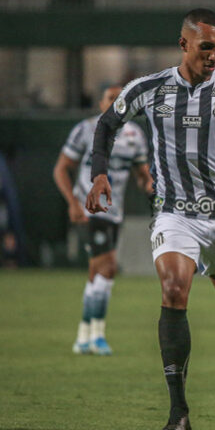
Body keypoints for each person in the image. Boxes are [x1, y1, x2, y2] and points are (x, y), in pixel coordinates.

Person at [85, 8, 215, 430]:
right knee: (174, 290)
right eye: (206, 46)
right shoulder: (150, 89)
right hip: (175, 214)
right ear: (184, 44)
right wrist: (100, 172)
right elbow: (107, 124)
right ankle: (179, 412)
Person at [53, 84, 153, 356]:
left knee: (97, 273)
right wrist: (72, 202)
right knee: (108, 267)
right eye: (110, 98)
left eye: (119, 99)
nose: (114, 103)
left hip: (115, 213)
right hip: (89, 210)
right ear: (100, 103)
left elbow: (142, 174)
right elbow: (62, 169)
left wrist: (151, 189)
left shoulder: (135, 135)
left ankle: (83, 336)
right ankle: (97, 335)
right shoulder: (86, 130)